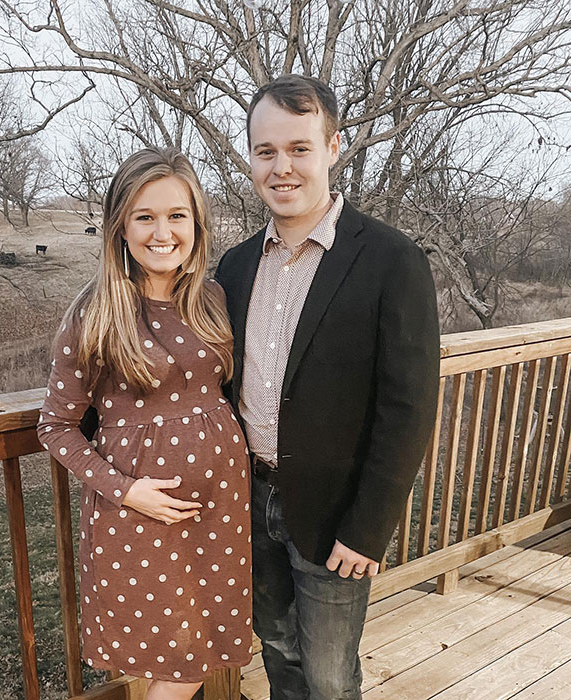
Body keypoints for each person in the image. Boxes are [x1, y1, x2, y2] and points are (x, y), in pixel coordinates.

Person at [215, 75, 440, 699]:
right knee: (279, 651)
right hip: (250, 502)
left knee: (330, 676)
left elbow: (410, 406)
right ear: (252, 157)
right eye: (266, 151)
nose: (281, 167)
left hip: (335, 513)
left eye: (299, 148)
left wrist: (370, 527)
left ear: (333, 147)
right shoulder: (234, 266)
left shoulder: (391, 260)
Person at [38, 147, 253, 700]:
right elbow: (56, 427)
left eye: (177, 215)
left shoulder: (211, 297)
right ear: (121, 228)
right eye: (145, 216)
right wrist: (127, 490)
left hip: (220, 511)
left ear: (196, 223)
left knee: (198, 652)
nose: (163, 232)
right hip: (140, 516)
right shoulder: (96, 312)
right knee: (178, 663)